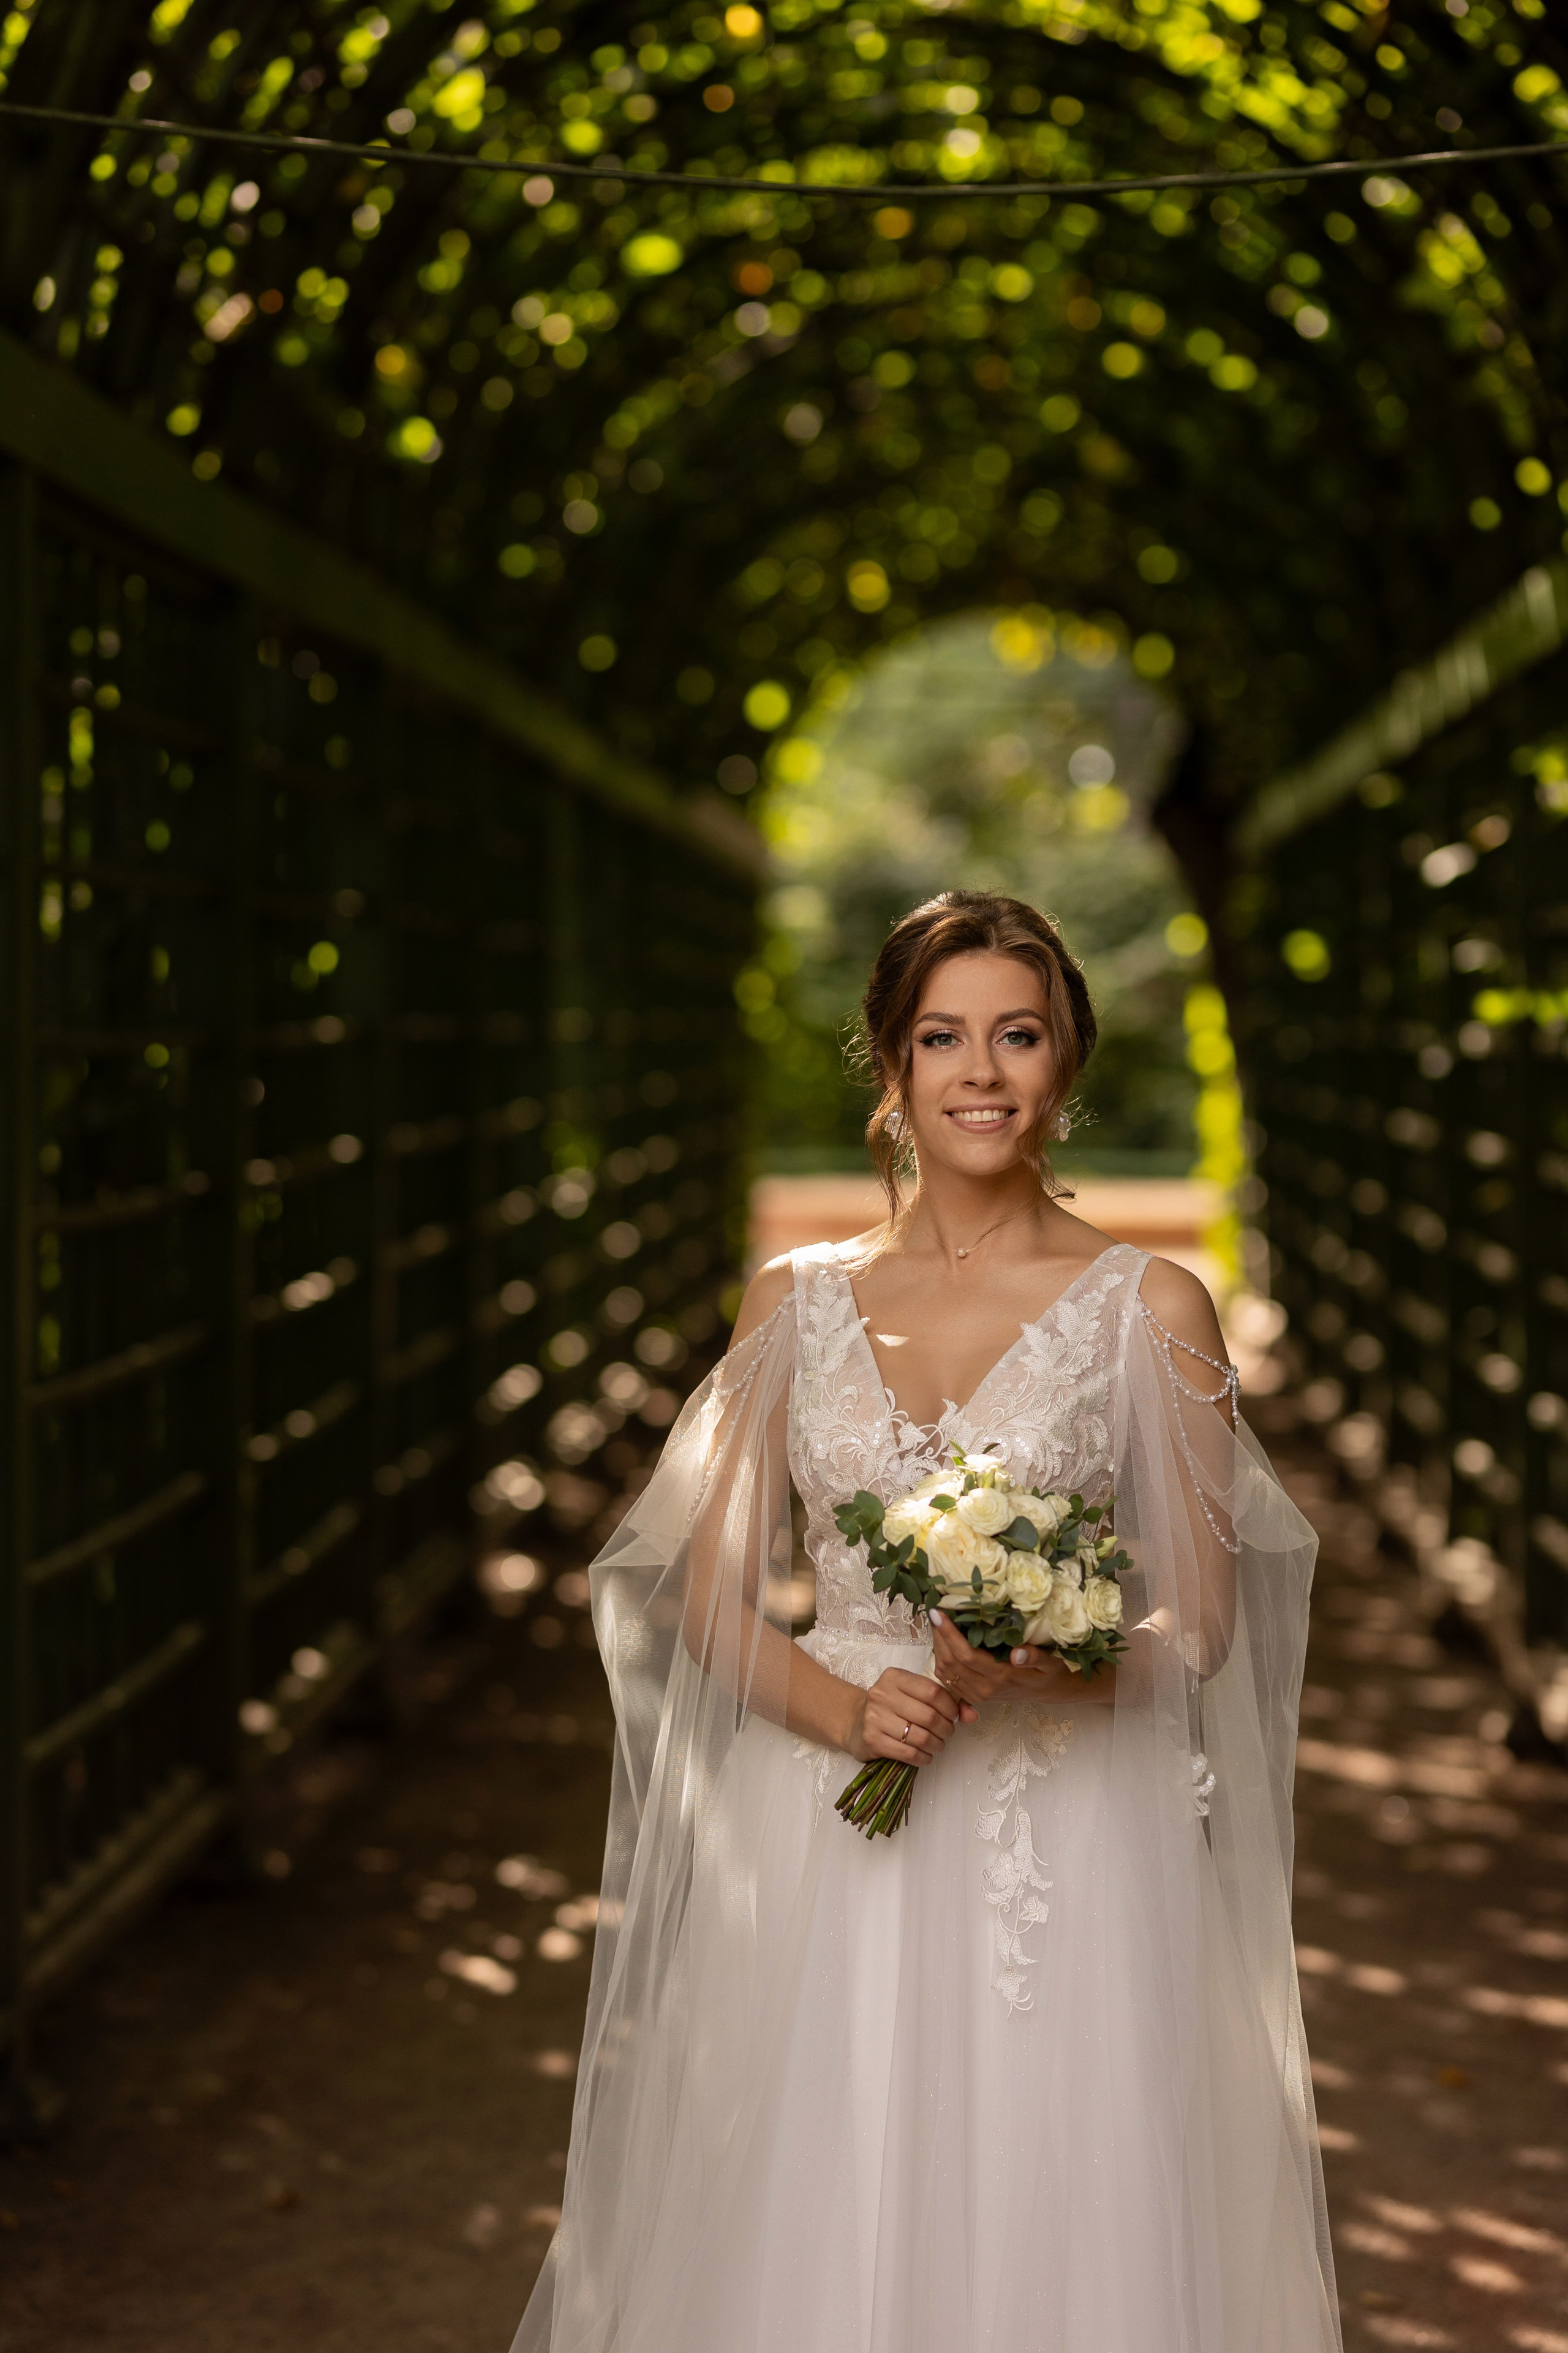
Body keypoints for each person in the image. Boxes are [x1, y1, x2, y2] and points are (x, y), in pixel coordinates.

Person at [511, 890, 1341, 2353]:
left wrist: (1056, 1668)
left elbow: (1202, 1627)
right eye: (940, 1036)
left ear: (1063, 1062)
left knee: (1062, 2188)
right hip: (826, 1815)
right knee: (816, 2189)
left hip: (1071, 1838)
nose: (980, 1070)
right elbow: (705, 1593)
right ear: (888, 1068)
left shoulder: (1150, 1306)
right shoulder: (791, 1304)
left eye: (1015, 1035)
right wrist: (848, 1710)